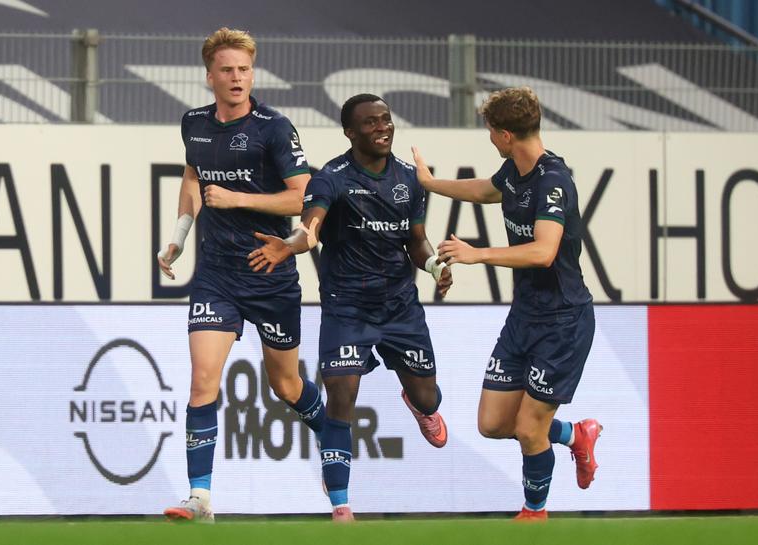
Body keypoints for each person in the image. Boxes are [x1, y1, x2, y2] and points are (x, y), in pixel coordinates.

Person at [248, 94, 453, 522]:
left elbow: (415, 241)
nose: (382, 128)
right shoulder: (331, 179)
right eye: (371, 123)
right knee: (342, 398)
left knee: (428, 396)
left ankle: (420, 407)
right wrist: (288, 247)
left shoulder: (410, 180)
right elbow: (310, 230)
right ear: (350, 132)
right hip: (347, 307)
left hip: (400, 308)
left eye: (386, 120)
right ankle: (341, 505)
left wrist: (435, 267)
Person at [156, 27, 325, 522]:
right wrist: (181, 236)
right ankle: (200, 497)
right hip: (216, 275)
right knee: (203, 380)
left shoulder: (274, 127)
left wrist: (239, 199)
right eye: (227, 70)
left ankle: (332, 429)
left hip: (269, 270)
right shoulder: (193, 124)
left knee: (286, 386)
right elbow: (193, 175)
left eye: (244, 69)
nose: (237, 78)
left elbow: (305, 195)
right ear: (209, 76)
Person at [411, 86, 601, 521]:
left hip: (563, 322)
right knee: (494, 424)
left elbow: (543, 251)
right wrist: (430, 183)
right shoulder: (514, 169)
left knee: (530, 428)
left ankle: (534, 514)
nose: (490, 138)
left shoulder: (553, 180)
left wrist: (478, 254)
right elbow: (486, 191)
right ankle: (575, 435)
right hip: (525, 317)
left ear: (504, 135)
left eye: (490, 132)